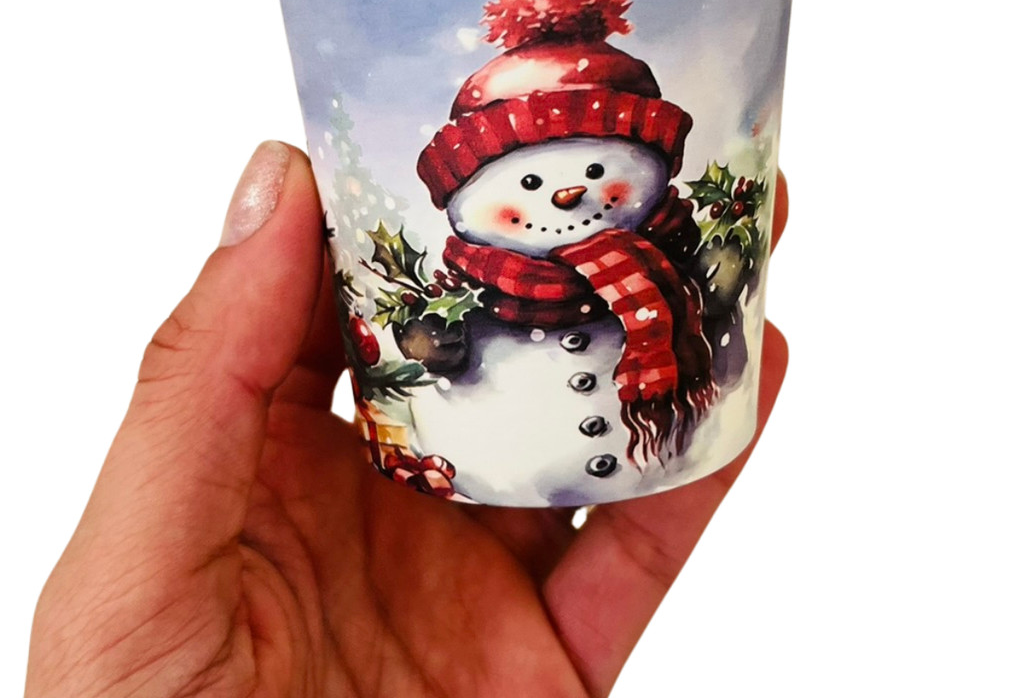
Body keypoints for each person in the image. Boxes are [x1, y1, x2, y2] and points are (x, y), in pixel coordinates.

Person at [24, 142, 789, 698]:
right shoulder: (463, 296)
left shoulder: (666, 277)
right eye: (529, 181)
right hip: (457, 496)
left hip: (611, 504)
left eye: (597, 170)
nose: (567, 196)